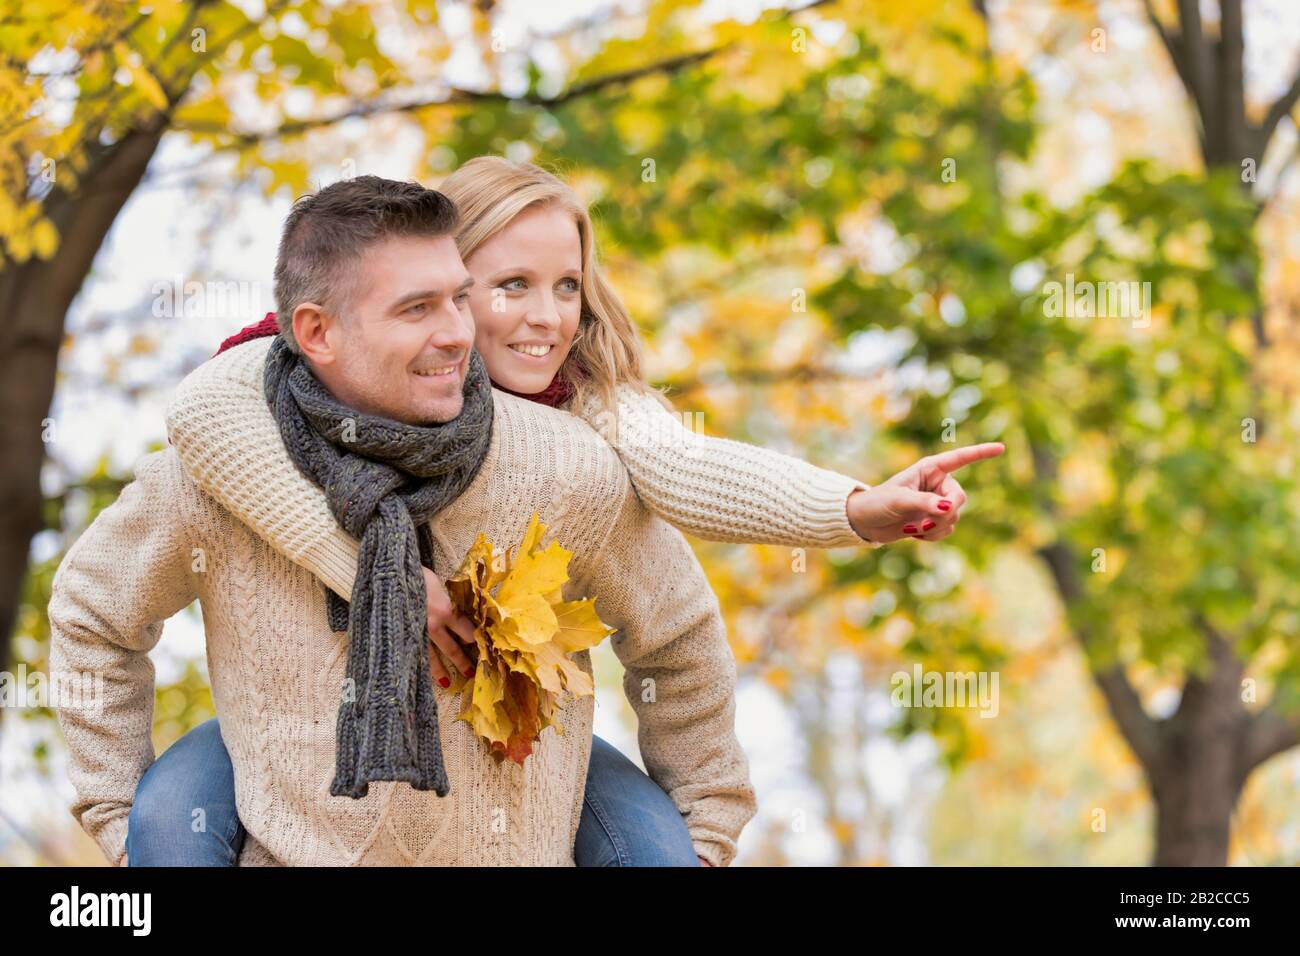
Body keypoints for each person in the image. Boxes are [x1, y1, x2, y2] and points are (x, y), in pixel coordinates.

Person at [137, 157, 1003, 867]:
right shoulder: (307, 375)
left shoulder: (586, 416)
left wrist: (853, 506)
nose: (547, 318)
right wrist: (387, 579)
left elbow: (688, 472)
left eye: (566, 286)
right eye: (510, 284)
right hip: (301, 714)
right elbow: (204, 413)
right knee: (168, 827)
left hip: (518, 747)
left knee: (652, 854)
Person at [48, 175, 757, 867]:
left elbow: (678, 638)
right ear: (316, 333)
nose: (457, 333)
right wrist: (117, 822)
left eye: (458, 299)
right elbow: (92, 614)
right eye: (417, 309)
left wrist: (706, 832)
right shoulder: (220, 472)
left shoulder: (566, 465)